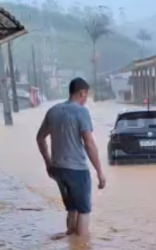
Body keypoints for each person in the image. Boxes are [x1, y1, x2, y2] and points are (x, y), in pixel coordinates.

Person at [36, 77, 106, 238]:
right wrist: (100, 172)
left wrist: (48, 163)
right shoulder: (81, 111)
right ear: (82, 93)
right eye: (86, 96)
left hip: (58, 169)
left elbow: (40, 138)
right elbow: (89, 143)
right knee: (83, 210)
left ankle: (71, 248)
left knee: (72, 208)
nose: (86, 100)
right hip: (77, 170)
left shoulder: (53, 111)